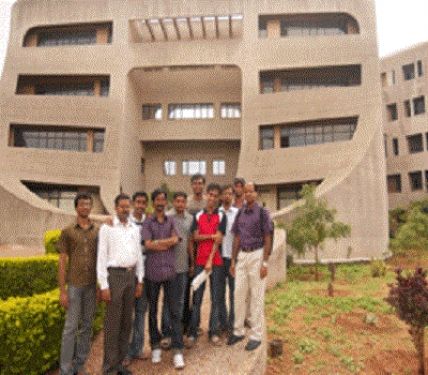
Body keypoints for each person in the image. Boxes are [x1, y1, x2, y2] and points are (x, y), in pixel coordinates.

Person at [97, 194, 144, 375]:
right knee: (113, 324)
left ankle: (119, 364)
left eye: (127, 206)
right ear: (116, 208)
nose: (125, 209)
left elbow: (138, 255)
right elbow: (101, 258)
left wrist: (140, 279)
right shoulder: (107, 228)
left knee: (126, 322)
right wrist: (104, 286)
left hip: (131, 276)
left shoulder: (134, 228)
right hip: (114, 277)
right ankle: (108, 368)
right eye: (122, 206)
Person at [142, 189, 185, 369]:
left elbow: (176, 240)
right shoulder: (147, 222)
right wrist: (164, 243)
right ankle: (155, 346)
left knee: (175, 312)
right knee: (152, 312)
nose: (161, 202)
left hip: (170, 272)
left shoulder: (171, 220)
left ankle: (177, 350)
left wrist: (157, 243)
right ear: (153, 203)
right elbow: (147, 245)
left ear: (166, 202)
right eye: (157, 199)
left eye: (163, 199)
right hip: (152, 273)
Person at [228, 182, 273, 351]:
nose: (247, 194)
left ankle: (256, 335)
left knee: (256, 296)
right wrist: (233, 260)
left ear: (256, 193)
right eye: (245, 192)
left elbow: (268, 237)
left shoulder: (262, 213)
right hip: (242, 256)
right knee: (238, 294)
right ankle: (238, 331)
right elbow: (237, 238)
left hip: (257, 255)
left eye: (250, 192)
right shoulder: (240, 213)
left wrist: (265, 262)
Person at [58, 193, 99, 375]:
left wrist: (100, 285)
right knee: (70, 328)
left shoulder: (97, 231)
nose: (85, 207)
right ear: (76, 207)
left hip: (91, 285)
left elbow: (101, 258)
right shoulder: (67, 231)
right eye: (82, 204)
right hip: (74, 286)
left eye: (88, 204)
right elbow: (62, 261)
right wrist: (62, 291)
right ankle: (65, 369)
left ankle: (79, 365)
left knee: (87, 326)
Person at [187, 183, 227, 347]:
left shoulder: (222, 216)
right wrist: (211, 235)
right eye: (209, 194)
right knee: (197, 298)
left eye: (215, 195)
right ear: (206, 196)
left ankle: (213, 332)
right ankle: (193, 332)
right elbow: (195, 237)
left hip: (215, 262)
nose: (212, 198)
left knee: (216, 298)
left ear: (218, 199)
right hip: (199, 262)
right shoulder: (198, 216)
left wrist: (210, 260)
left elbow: (219, 241)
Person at [161, 191, 194, 349]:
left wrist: (192, 263)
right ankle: (166, 334)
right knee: (168, 301)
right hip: (168, 266)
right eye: (178, 201)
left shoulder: (190, 218)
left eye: (183, 201)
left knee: (180, 301)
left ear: (186, 203)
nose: (181, 204)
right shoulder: (167, 217)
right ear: (173, 202)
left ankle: (177, 332)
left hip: (183, 266)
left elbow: (189, 242)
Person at [126, 192, 149, 364]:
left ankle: (138, 348)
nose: (140, 205)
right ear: (134, 203)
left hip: (145, 272)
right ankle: (126, 352)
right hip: (128, 272)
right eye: (138, 202)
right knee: (128, 313)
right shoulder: (125, 221)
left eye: (143, 203)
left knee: (141, 311)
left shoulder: (149, 221)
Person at [183, 173, 207, 334]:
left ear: (203, 185)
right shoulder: (187, 203)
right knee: (185, 290)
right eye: (195, 183)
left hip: (203, 249)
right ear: (191, 185)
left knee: (198, 289)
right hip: (187, 248)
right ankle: (184, 323)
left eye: (200, 183)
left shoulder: (207, 202)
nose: (197, 186)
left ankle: (195, 325)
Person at [218, 184, 239, 334]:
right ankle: (222, 322)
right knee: (219, 293)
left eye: (230, 193)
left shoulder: (238, 213)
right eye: (225, 193)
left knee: (234, 292)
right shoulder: (215, 213)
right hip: (218, 259)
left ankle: (233, 323)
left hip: (233, 258)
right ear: (221, 196)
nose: (227, 196)